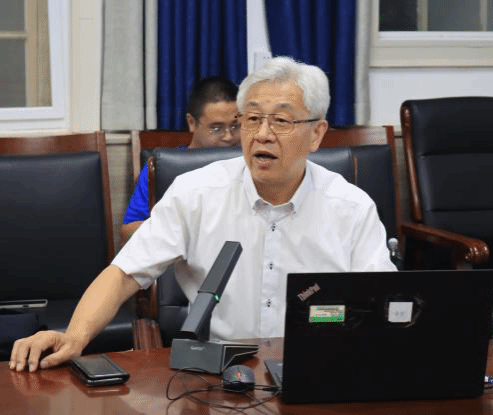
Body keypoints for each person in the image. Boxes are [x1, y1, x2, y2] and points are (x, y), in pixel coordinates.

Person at [10, 56, 396, 373]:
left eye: (281, 121)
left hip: (321, 366)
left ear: (316, 134)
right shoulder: (196, 193)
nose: (262, 134)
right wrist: (74, 336)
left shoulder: (351, 208)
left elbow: (382, 303)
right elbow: (124, 273)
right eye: (251, 119)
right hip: (223, 373)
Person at [120, 76, 241, 244]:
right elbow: (128, 231)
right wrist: (180, 227)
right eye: (216, 128)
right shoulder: (163, 167)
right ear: (192, 123)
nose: (228, 136)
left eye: (235, 126)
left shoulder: (249, 164)